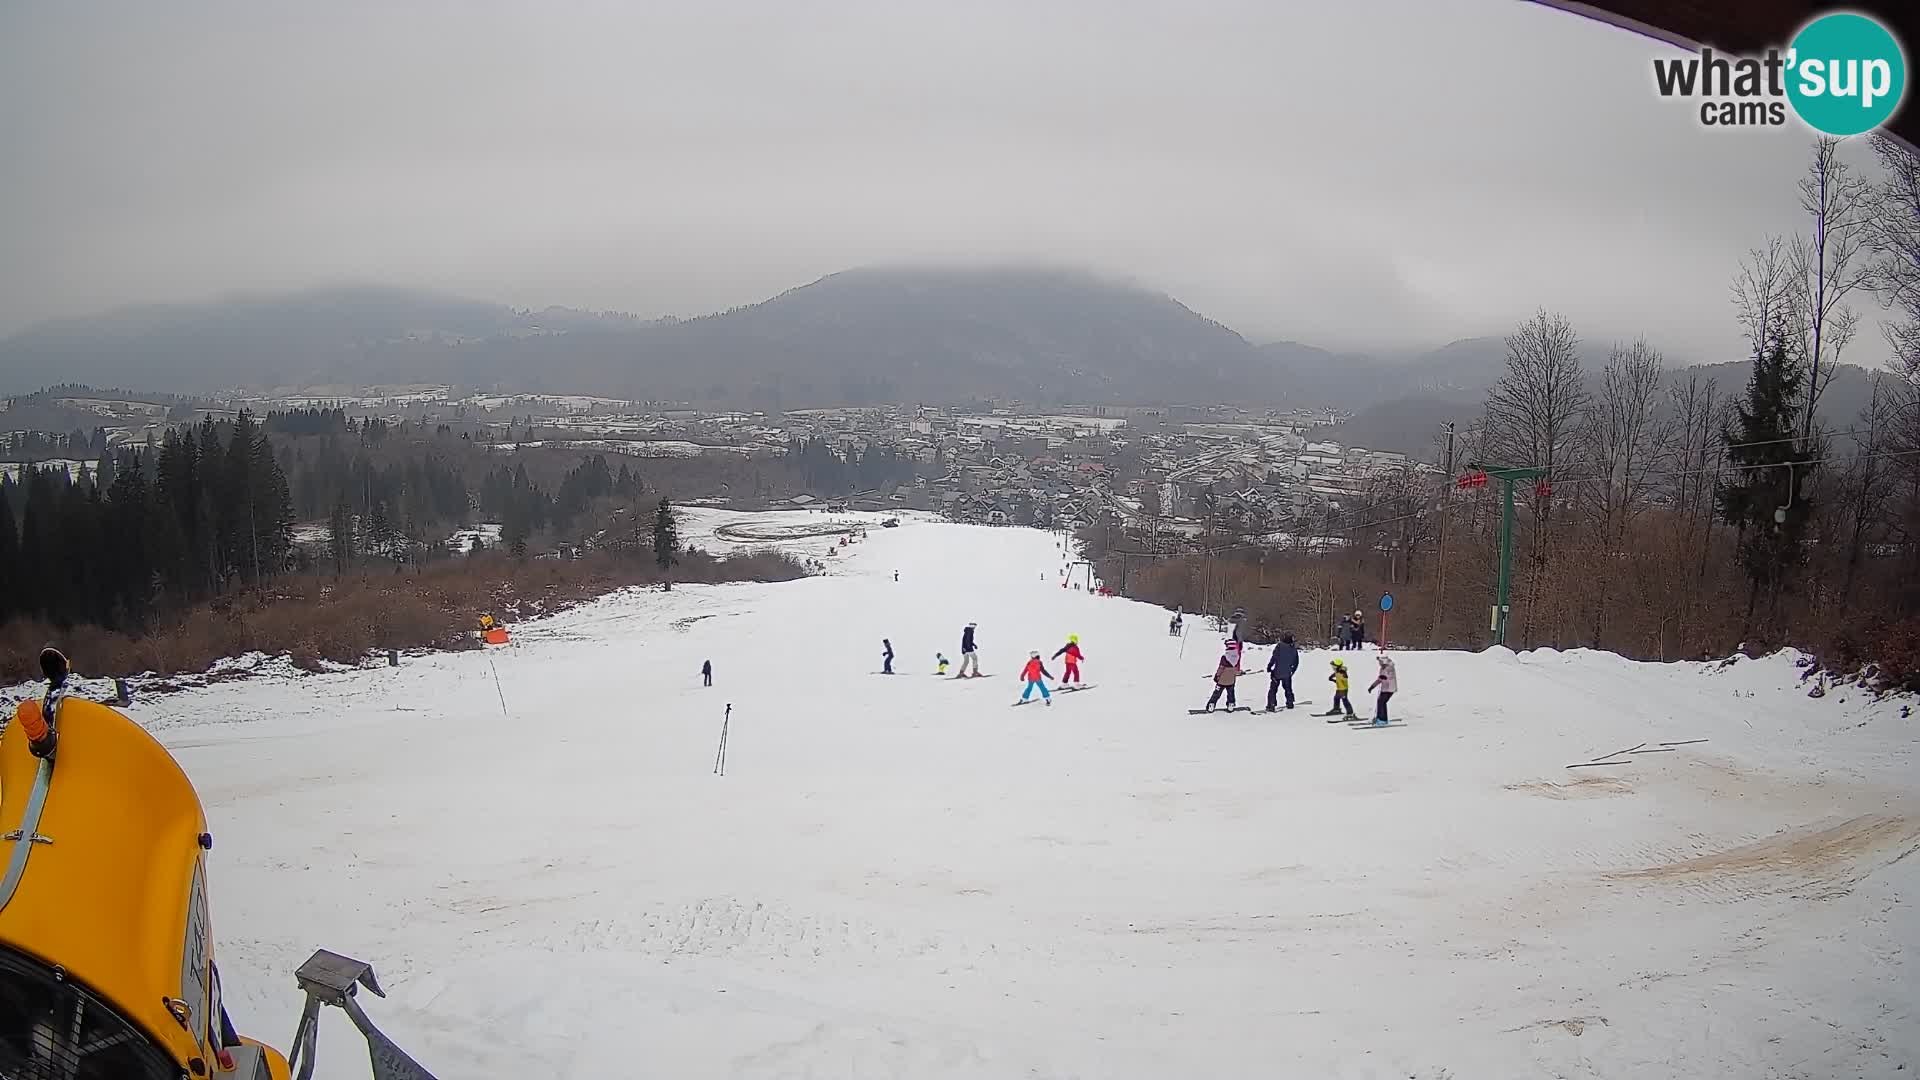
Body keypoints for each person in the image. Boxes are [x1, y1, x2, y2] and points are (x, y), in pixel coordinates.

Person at [1205, 642, 1242, 711]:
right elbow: (1236, 668)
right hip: (1231, 680)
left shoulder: (1224, 657)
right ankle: (1231, 704)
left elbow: (1221, 668)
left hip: (1222, 680)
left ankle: (1211, 704)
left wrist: (1217, 676)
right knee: (1231, 693)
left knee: (1217, 693)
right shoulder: (1237, 657)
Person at [1265, 632, 1299, 711]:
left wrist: (1269, 666)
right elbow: (1296, 662)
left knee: (1273, 689)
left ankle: (1271, 704)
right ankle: (1290, 703)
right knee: (1288, 689)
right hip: (1287, 672)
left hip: (1277, 672)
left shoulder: (1280, 646)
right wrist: (1292, 671)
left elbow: (1274, 657)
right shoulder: (1293, 648)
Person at [1368, 653, 1397, 726]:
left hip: (1390, 688)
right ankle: (1380, 718)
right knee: (1380, 702)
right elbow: (1380, 679)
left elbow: (1390, 676)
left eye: (1380, 661)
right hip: (1384, 688)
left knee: (1382, 702)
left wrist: (1385, 677)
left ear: (1384, 661)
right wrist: (1372, 686)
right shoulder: (1382, 668)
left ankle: (1383, 720)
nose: (1379, 663)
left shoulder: (1390, 667)